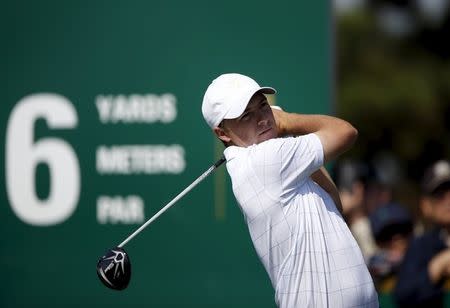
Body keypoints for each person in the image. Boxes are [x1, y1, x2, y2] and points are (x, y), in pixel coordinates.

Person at [201, 73, 378, 307]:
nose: (262, 119)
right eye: (246, 116)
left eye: (263, 106)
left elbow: (335, 202)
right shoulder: (264, 160)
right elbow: (345, 132)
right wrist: (285, 121)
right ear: (222, 133)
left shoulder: (277, 161)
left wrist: (286, 132)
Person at [393, 160, 450, 308]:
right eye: (440, 194)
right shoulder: (422, 246)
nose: (448, 200)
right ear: (426, 205)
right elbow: (403, 296)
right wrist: (437, 266)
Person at [368, 202, 414, 292]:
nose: (396, 238)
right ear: (378, 242)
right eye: (387, 235)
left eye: (401, 230)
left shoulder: (428, 262)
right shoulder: (368, 277)